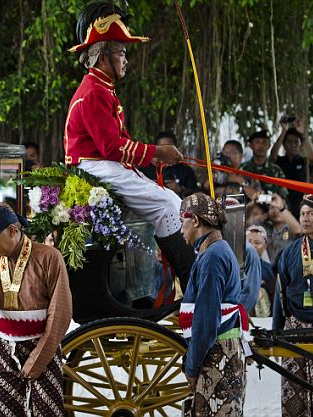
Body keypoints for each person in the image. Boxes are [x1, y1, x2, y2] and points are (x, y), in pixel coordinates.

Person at [64, 2, 195, 290]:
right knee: (166, 206)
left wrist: (152, 157)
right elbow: (111, 146)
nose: (126, 59)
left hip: (105, 164)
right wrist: (156, 152)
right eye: (121, 52)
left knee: (174, 203)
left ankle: (182, 281)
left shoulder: (102, 88)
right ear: (102, 57)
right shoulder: (95, 92)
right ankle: (191, 281)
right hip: (95, 167)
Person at [0, 203, 72, 416]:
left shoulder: (48, 257)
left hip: (42, 345)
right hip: (5, 348)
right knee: (4, 409)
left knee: (46, 410)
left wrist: (38, 359)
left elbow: (61, 311)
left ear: (13, 230)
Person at [179, 193, 246, 417]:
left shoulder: (212, 257)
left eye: (182, 222)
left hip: (218, 354)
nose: (181, 230)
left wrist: (191, 366)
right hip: (223, 351)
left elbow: (206, 321)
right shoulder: (216, 250)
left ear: (195, 221)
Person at [273, 194, 313, 416]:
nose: (305, 219)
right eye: (302, 214)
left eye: (311, 214)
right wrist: (276, 332)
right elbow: (281, 295)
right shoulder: (289, 252)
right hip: (294, 332)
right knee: (293, 395)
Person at [270, 119, 313, 218]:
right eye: (289, 142)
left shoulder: (304, 161)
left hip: (301, 206)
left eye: (296, 142)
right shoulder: (280, 161)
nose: (293, 145)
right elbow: (272, 157)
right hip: (282, 206)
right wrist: (283, 131)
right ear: (284, 144)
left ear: (301, 145)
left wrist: (303, 134)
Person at [140, 131, 199, 197]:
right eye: (162, 147)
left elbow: (195, 192)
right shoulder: (145, 169)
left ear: (176, 149)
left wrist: (180, 189)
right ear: (156, 148)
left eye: (169, 148)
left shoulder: (186, 170)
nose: (166, 151)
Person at [240, 129, 289, 198]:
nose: (261, 146)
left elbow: (284, 197)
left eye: (264, 142)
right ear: (250, 145)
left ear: (269, 146)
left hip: (272, 207)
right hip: (248, 207)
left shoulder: (276, 171)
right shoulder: (242, 169)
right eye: (257, 142)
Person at [265, 193, 301, 264]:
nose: (275, 211)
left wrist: (281, 208)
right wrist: (253, 203)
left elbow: (299, 231)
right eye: (272, 207)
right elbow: (247, 221)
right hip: (266, 272)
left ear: (289, 212)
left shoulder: (292, 228)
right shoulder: (265, 227)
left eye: (278, 208)